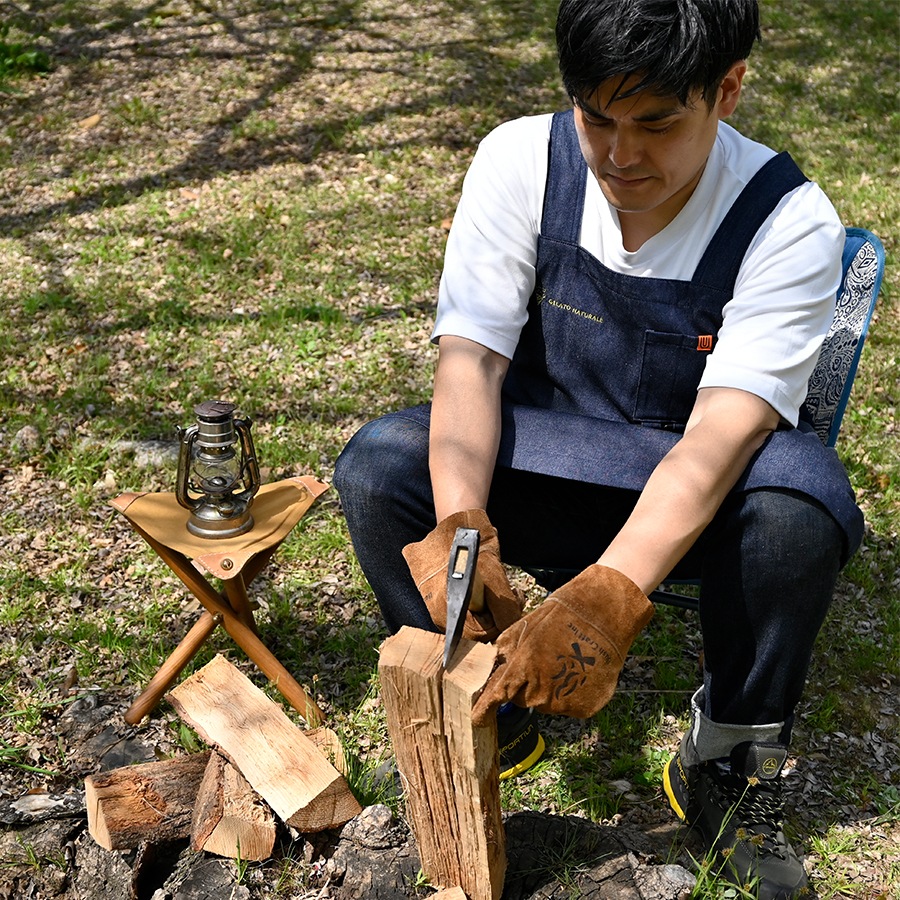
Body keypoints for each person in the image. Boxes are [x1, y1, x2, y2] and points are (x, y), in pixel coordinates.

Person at [334, 1, 863, 896]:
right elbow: (470, 362)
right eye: (597, 117)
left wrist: (607, 600)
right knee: (382, 466)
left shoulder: (789, 222)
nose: (619, 156)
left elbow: (721, 436)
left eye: (656, 123)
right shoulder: (520, 161)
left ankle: (724, 760)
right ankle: (489, 697)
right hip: (547, 464)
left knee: (799, 509)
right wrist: (464, 527)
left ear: (727, 90)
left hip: (695, 499)